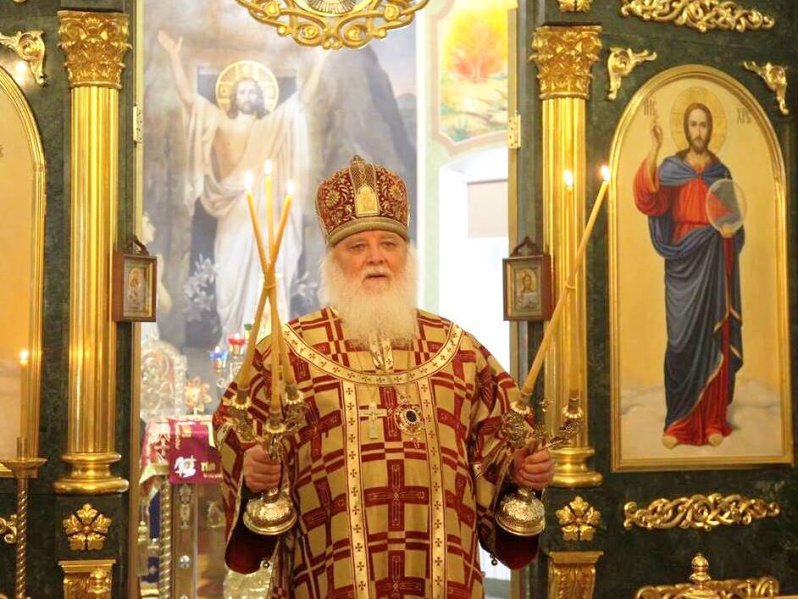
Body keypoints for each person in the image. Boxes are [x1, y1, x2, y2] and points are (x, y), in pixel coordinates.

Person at [213, 156, 554, 598]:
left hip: (442, 576)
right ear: (332, 261)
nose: (376, 257)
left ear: (406, 256)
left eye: (389, 244)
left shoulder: (458, 350)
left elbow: (503, 444)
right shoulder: (285, 353)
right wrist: (254, 470)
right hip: (332, 576)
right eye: (357, 247)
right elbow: (236, 429)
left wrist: (521, 471)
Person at [158, 31, 327, 344]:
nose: (247, 96)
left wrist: (319, 60)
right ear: (233, 97)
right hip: (231, 207)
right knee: (230, 275)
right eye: (242, 91)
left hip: (264, 212)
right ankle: (233, 336)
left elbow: (301, 101)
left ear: (260, 97)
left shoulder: (270, 124)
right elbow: (188, 99)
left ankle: (264, 339)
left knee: (264, 269)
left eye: (252, 91)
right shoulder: (218, 120)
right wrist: (173, 56)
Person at [633, 102, 744, 449]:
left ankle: (712, 420)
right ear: (686, 128)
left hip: (713, 257)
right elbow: (649, 200)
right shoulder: (672, 168)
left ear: (711, 130)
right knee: (680, 341)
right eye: (693, 125)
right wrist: (654, 148)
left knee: (714, 336)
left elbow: (734, 221)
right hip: (682, 261)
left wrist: (729, 231)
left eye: (704, 125)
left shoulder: (721, 173)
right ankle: (678, 423)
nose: (699, 132)